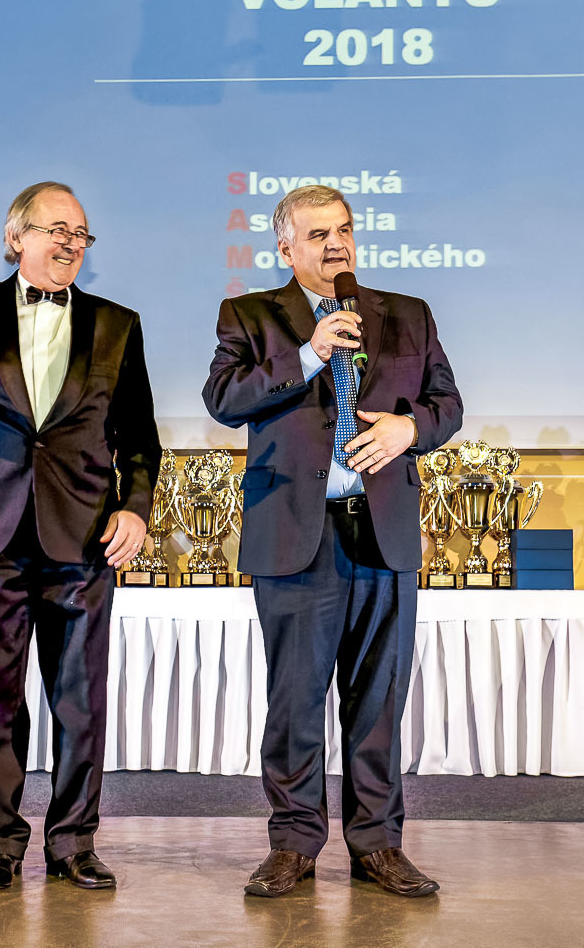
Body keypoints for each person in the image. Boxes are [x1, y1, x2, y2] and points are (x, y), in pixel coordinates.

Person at [202, 184, 463, 897]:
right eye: (317, 234)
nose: (336, 244)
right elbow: (224, 400)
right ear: (285, 248)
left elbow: (446, 403)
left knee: (378, 702)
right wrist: (309, 353)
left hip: (381, 532)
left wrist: (410, 428)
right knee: (295, 701)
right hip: (297, 533)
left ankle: (377, 844)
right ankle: (293, 843)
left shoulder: (406, 313)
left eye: (343, 229)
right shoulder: (251, 315)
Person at [0, 181, 161, 892]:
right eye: (57, 229)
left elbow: (139, 436)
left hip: (84, 539)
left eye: (81, 233)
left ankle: (74, 841)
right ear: (16, 236)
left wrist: (135, 508)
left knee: (80, 703)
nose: (71, 243)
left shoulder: (117, 324)